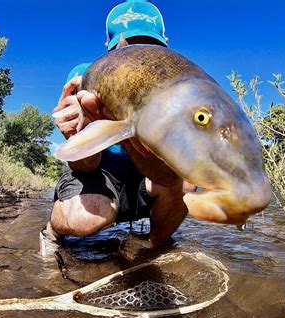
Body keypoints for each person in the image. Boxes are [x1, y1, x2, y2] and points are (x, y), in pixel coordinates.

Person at [40, 0, 195, 255]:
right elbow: (84, 166)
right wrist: (77, 134)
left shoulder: (177, 89)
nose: (138, 61)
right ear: (109, 51)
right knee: (86, 217)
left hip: (147, 177)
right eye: (127, 50)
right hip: (97, 175)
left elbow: (168, 177)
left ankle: (155, 246)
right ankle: (52, 232)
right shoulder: (86, 78)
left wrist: (127, 133)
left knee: (185, 183)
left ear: (166, 47)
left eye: (150, 48)